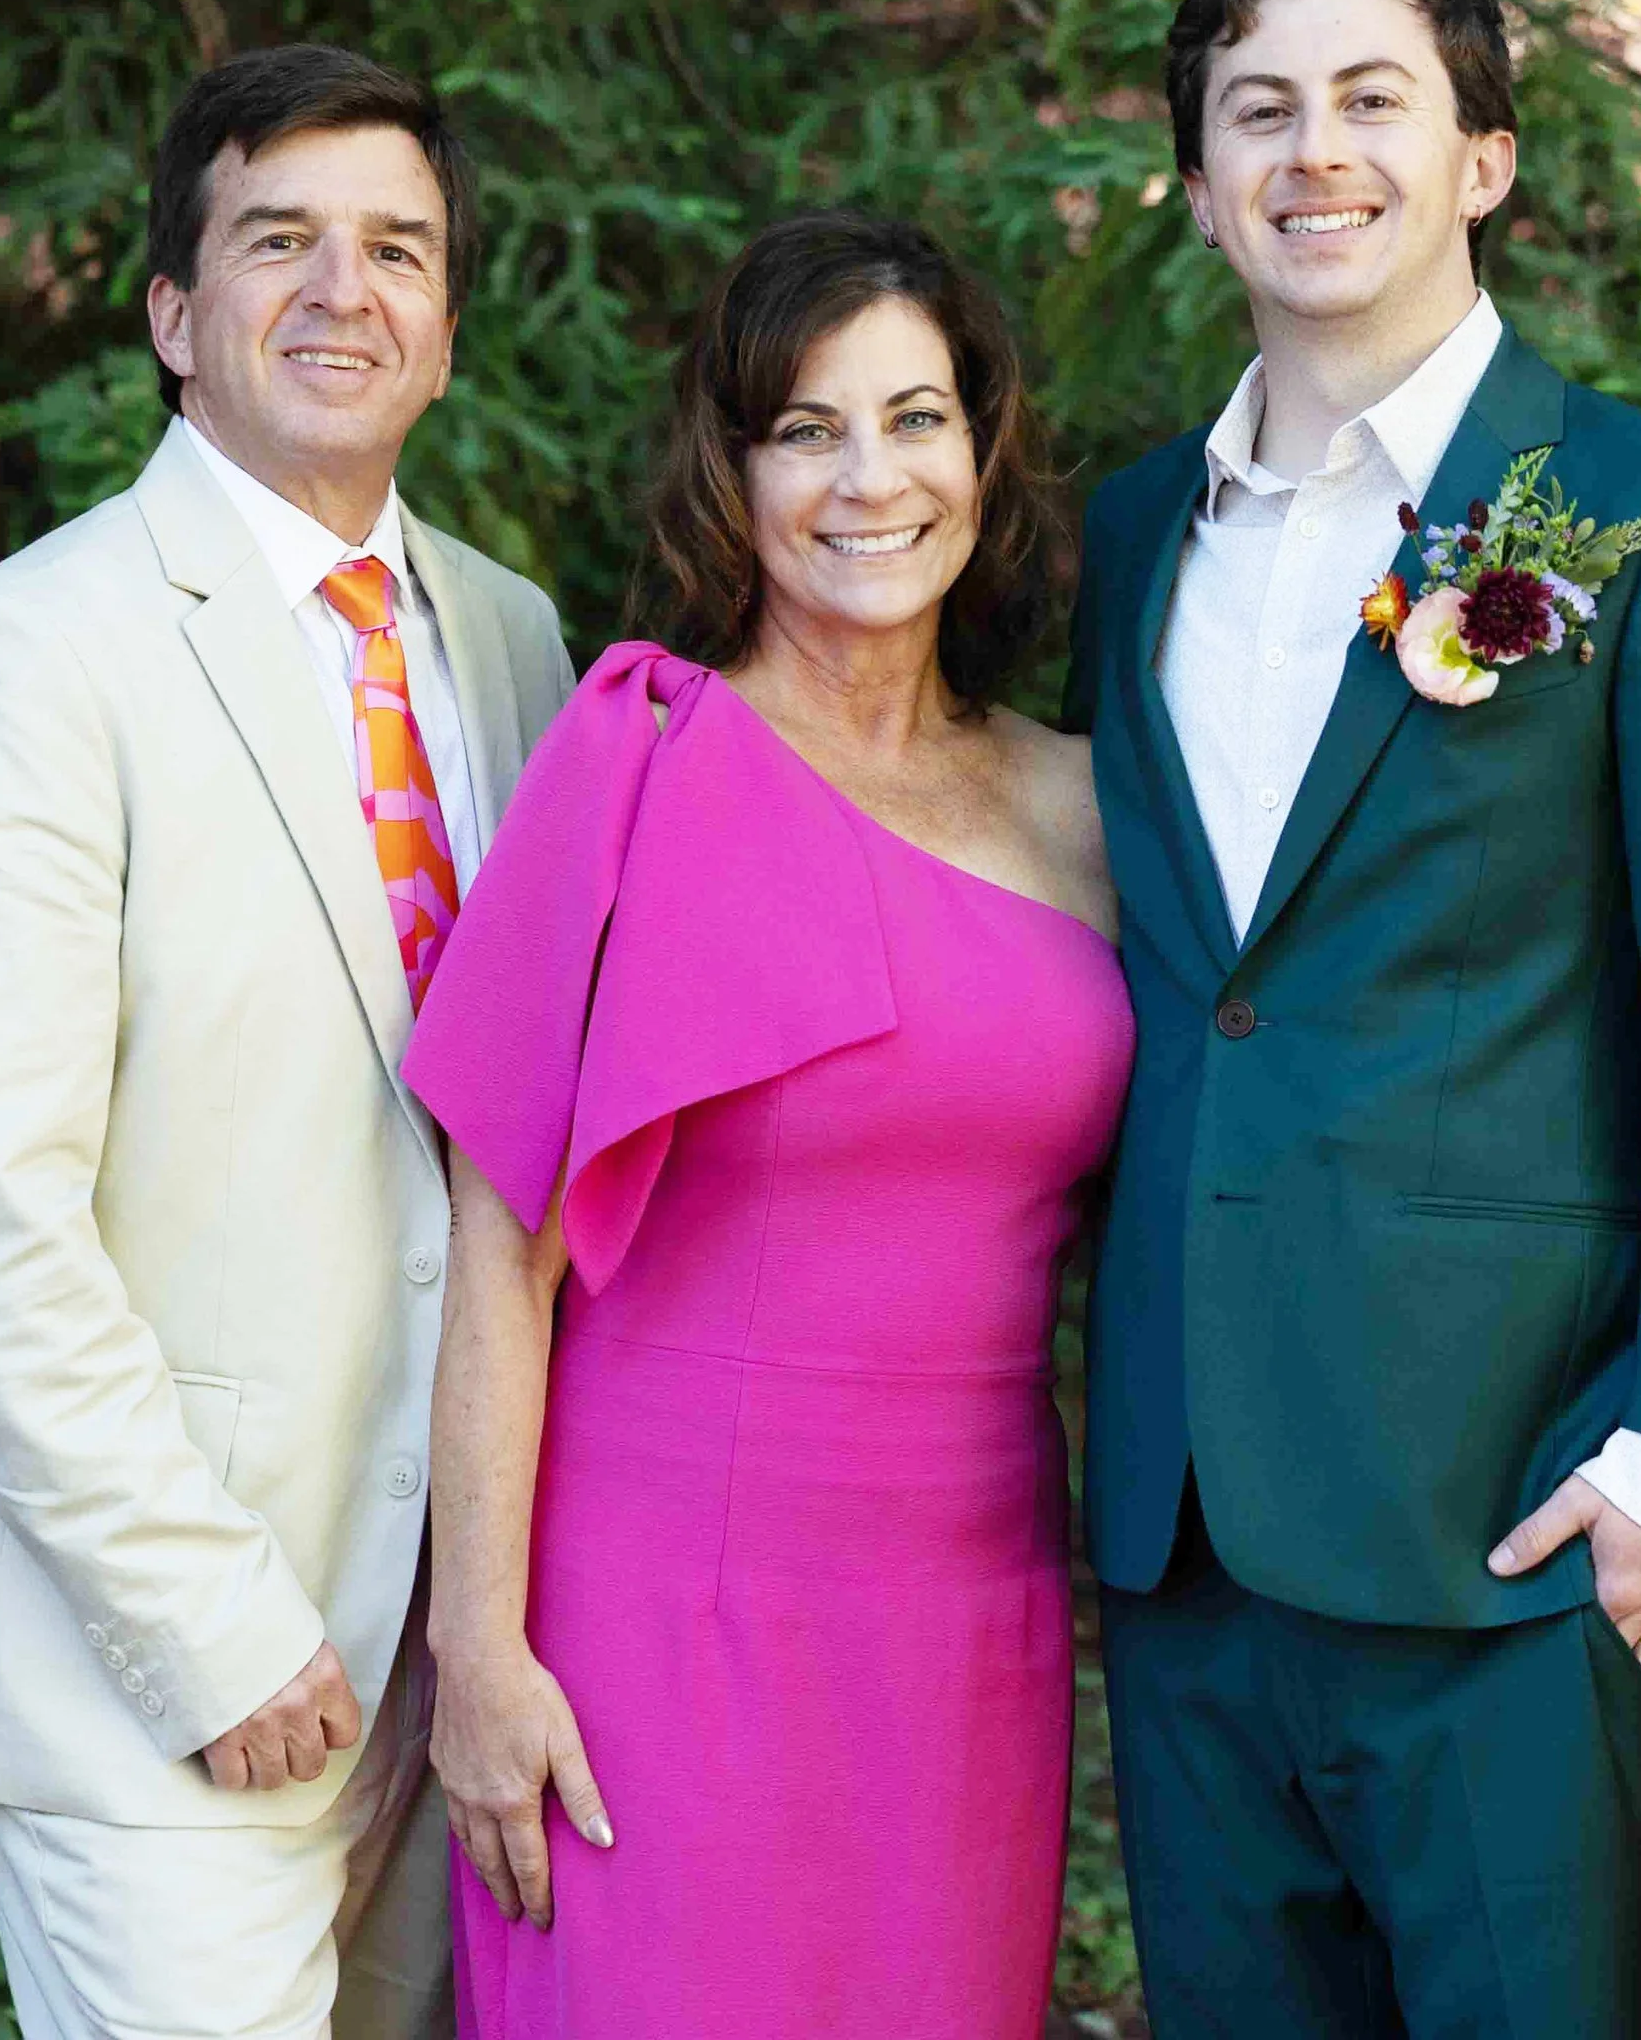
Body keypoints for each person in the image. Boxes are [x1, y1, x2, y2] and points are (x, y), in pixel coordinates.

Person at [1061, 0, 1641, 2037]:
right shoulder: (1125, 540)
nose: (1313, 151)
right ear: (1198, 182)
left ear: (1481, 160)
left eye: (1369, 99)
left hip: (1523, 1516)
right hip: (1191, 1542)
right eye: (1258, 111)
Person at [0, 45, 575, 2039]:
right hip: (158, 1678)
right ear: (176, 315)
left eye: (398, 248)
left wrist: (489, 1613)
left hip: (443, 1649)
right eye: (280, 241)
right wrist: (207, 1628)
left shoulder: (512, 640)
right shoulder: (34, 656)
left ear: (446, 324)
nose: (345, 290)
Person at [401, 212, 1132, 2038]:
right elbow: (500, 1238)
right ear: (734, 477)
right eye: (808, 429)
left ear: (984, 452)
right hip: (656, 1605)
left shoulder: (1086, 804)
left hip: (970, 1612)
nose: (869, 479)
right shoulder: (643, 757)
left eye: (916, 419)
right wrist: (476, 1647)